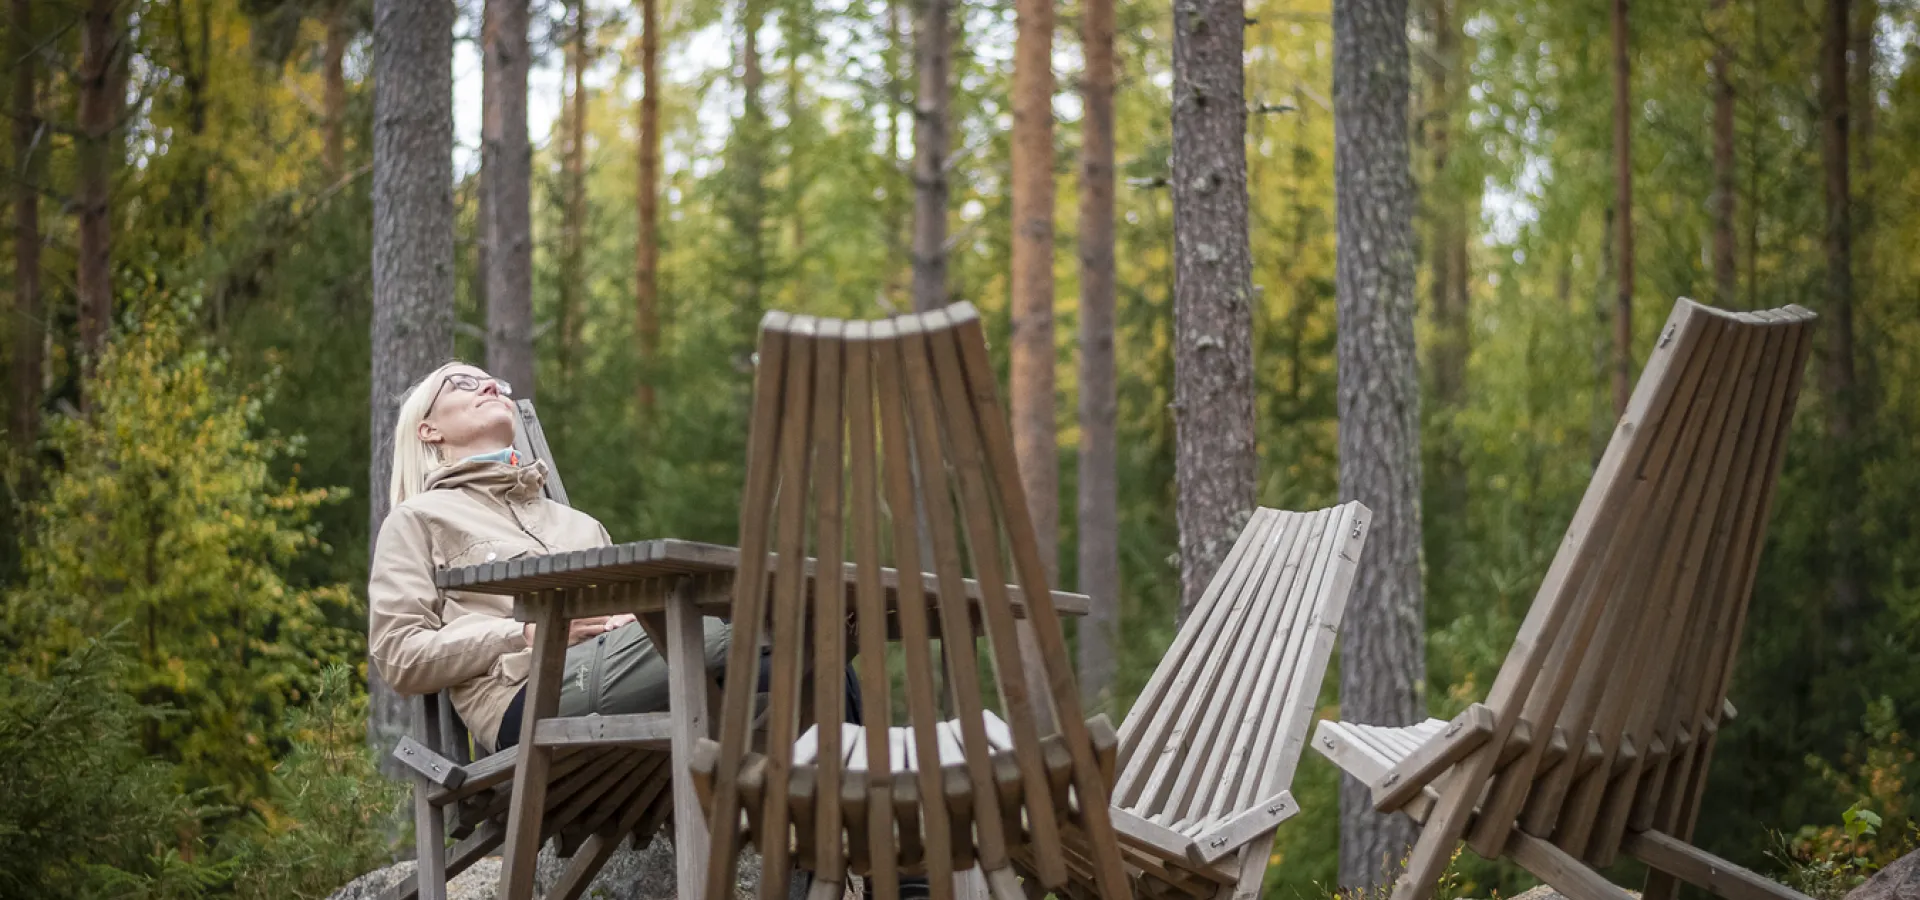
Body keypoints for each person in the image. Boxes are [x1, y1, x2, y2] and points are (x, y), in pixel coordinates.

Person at [367, 362, 734, 753]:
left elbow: (622, 614)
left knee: (779, 665)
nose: (490, 386)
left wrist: (635, 613)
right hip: (526, 698)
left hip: (630, 669)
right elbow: (399, 653)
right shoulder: (418, 518)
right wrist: (527, 632)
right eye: (463, 383)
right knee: (758, 634)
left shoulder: (581, 525)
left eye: (494, 382)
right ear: (429, 429)